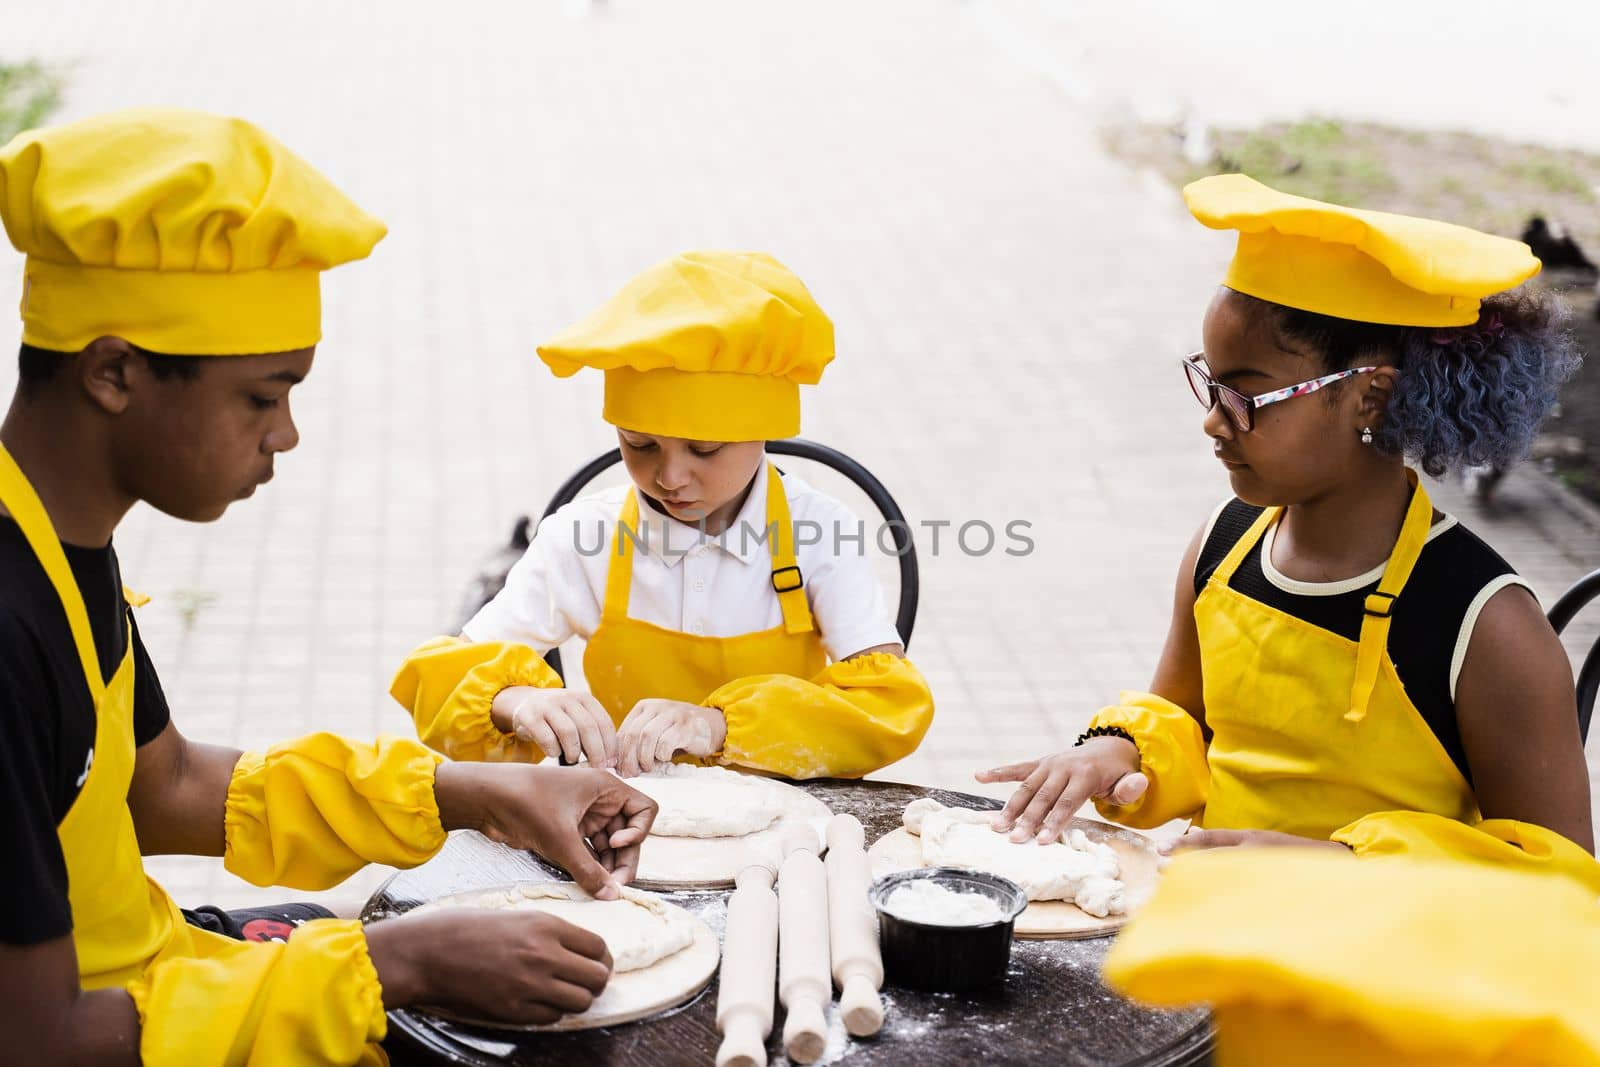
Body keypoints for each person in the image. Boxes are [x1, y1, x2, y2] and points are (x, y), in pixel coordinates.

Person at [0, 107, 656, 1065]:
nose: (287, 435)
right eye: (264, 396)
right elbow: (37, 1041)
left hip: (157, 968)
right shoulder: (8, 630)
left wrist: (476, 791)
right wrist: (392, 964)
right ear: (114, 372)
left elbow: (163, 786)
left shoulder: (59, 545)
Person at [979, 175, 1595, 886]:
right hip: (1209, 946)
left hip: (1376, 988)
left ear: (1370, 396)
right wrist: (1120, 753)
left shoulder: (1488, 627)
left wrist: (1343, 869)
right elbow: (1188, 722)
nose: (1214, 420)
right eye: (1209, 386)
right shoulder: (1223, 544)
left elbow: (1558, 883)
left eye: (1246, 395)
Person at [392, 250, 934, 779]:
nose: (670, 478)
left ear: (765, 431)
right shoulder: (586, 539)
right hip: (626, 810)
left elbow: (884, 711)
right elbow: (441, 681)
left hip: (788, 815)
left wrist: (720, 726)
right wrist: (516, 702)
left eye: (705, 451)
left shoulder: (822, 535)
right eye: (639, 444)